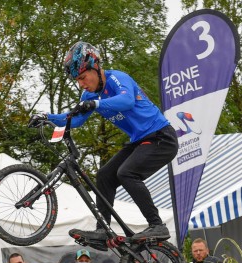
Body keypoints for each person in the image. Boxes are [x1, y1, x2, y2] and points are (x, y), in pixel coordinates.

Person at [41, 42, 178, 243]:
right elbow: (76, 119)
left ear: (95, 67)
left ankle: (157, 225)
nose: (81, 84)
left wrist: (95, 103)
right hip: (140, 141)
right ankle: (103, 231)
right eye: (77, 80)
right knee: (105, 175)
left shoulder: (117, 78)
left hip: (161, 137)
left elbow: (127, 101)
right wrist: (47, 117)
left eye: (82, 77)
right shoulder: (89, 95)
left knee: (126, 173)